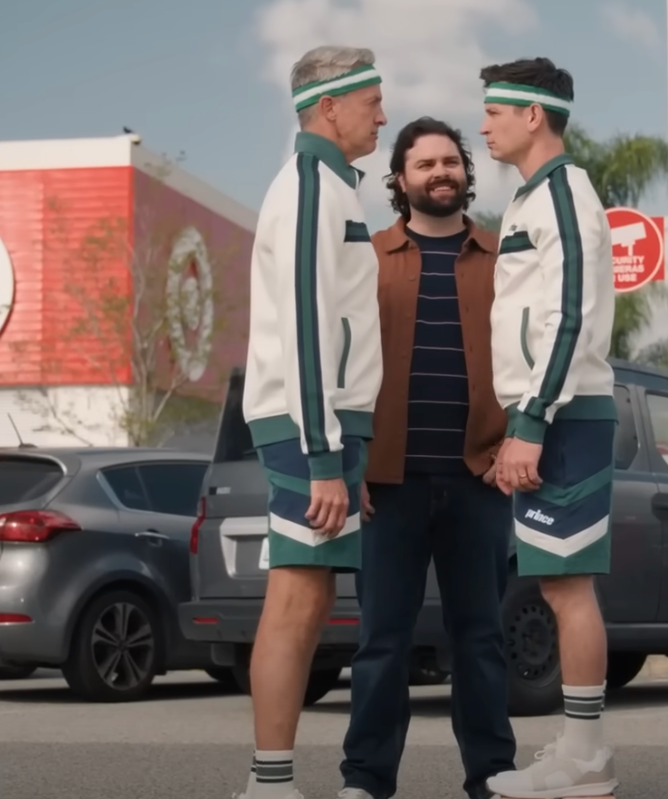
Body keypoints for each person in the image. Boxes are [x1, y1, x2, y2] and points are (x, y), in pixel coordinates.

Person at [338, 118, 518, 799]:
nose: (440, 173)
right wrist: (349, 461)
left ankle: (493, 776)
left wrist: (513, 441)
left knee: (481, 640)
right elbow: (341, 362)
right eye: (425, 164)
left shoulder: (503, 258)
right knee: (381, 641)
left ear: (466, 173)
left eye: (451, 162)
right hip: (389, 483)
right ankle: (366, 779)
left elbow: (524, 361)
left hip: (479, 479)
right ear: (400, 179)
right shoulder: (368, 257)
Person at [236, 44, 388, 799]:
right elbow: (305, 321)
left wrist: (345, 448)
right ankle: (269, 785)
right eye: (373, 102)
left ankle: (274, 781)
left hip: (324, 425)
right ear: (330, 105)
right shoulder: (307, 188)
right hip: (306, 427)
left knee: (314, 595)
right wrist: (325, 456)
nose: (382, 116)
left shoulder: (335, 188)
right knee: (297, 596)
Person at [477, 58, 620, 799]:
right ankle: (577, 746)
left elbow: (571, 314)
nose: (483, 124)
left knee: (567, 588)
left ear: (534, 115)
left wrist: (530, 422)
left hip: (562, 418)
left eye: (494, 110)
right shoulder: (535, 197)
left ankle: (588, 759)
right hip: (547, 416)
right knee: (557, 584)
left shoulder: (565, 192)